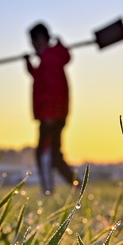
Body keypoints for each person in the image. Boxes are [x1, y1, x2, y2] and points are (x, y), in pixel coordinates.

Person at [25, 22, 77, 194]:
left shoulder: (49, 59)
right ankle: (77, 186)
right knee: (54, 155)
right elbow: (40, 80)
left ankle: (48, 191)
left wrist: (48, 115)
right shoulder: (49, 59)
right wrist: (29, 65)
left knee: (44, 155)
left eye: (33, 41)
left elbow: (51, 90)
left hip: (50, 115)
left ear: (39, 39)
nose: (31, 45)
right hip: (55, 114)